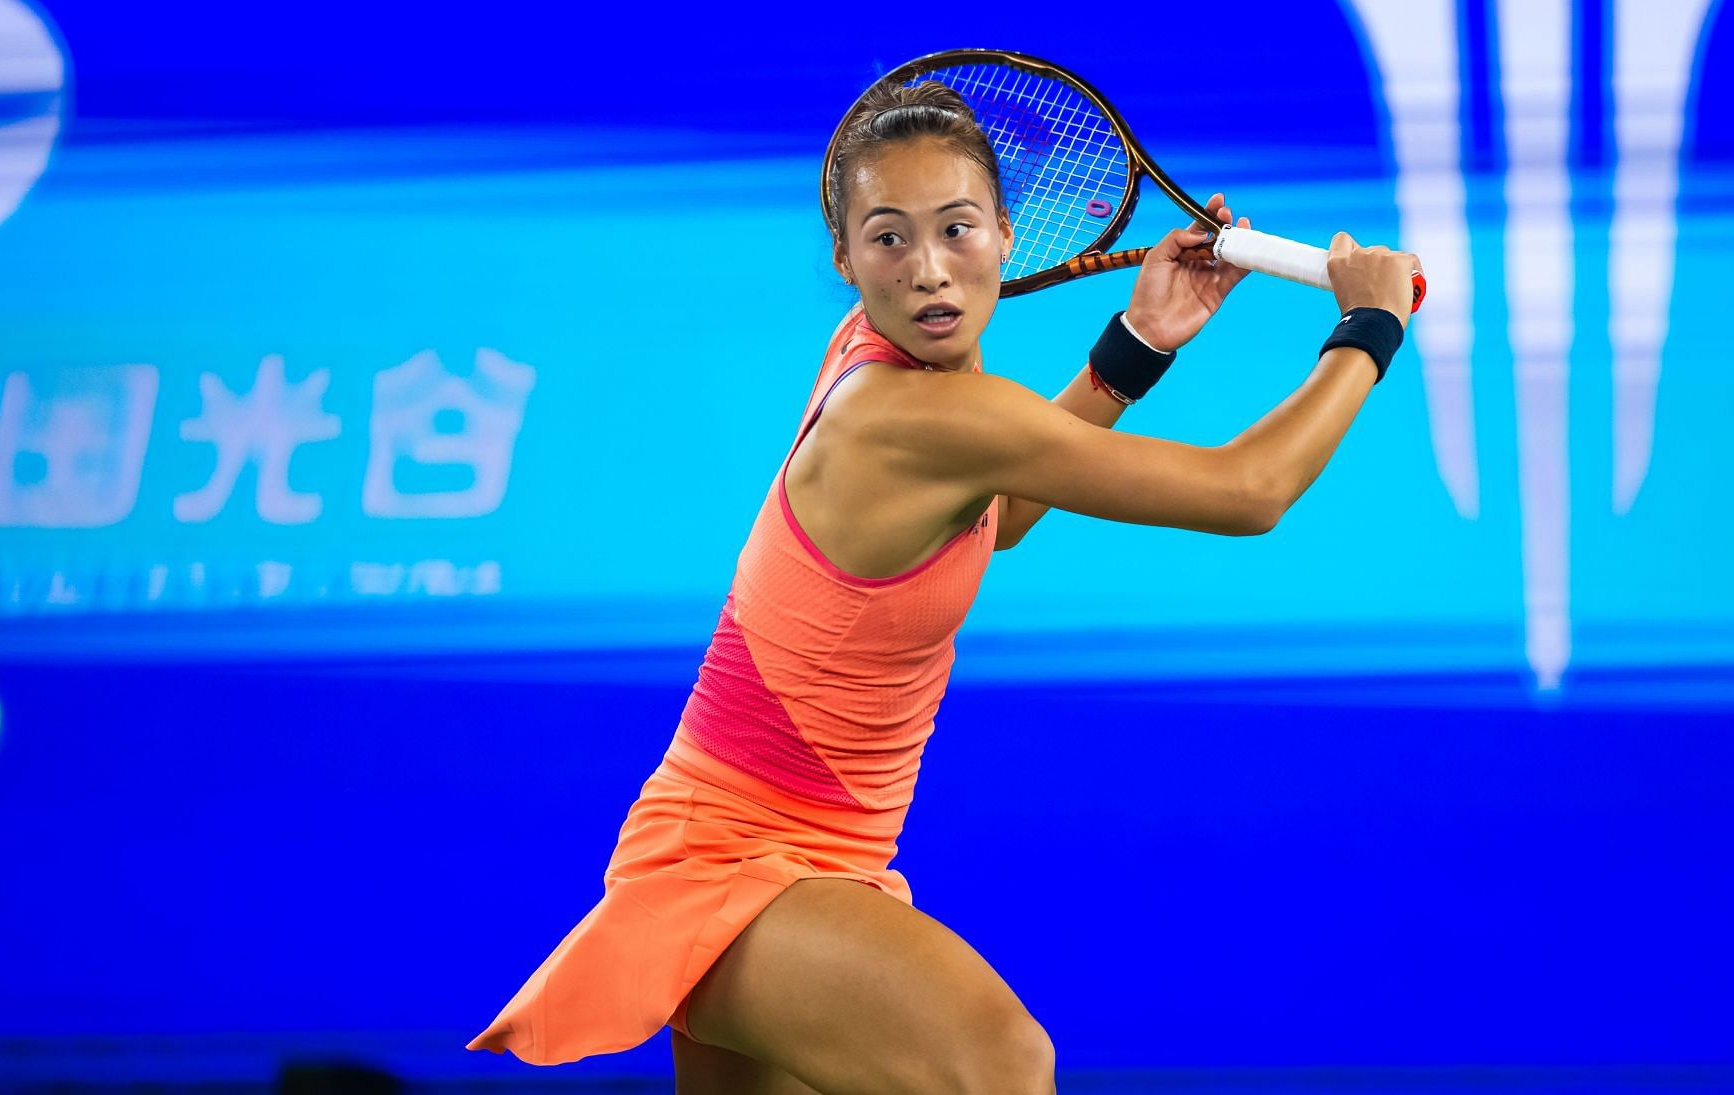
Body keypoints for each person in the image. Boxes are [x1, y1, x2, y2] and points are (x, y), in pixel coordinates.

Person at [468, 78, 1420, 1095]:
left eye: (956, 227)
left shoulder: (892, 376)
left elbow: (988, 519)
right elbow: (1248, 491)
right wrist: (1368, 326)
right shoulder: (913, 417)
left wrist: (1132, 350)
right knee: (1000, 1066)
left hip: (809, 861)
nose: (928, 268)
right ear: (845, 258)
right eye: (887, 239)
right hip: (731, 864)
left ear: (1006, 235)